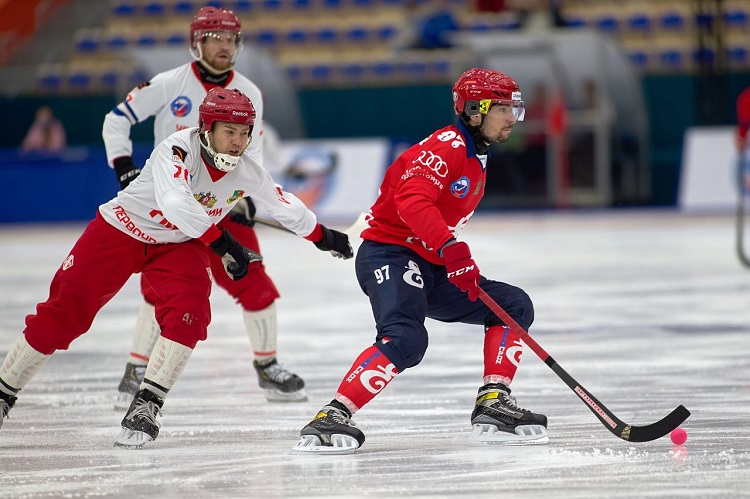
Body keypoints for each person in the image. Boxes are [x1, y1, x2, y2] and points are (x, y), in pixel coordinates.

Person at [0, 87, 353, 448]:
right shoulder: (178, 148)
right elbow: (175, 203)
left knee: (191, 313)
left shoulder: (247, 169)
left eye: (244, 132)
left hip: (178, 245)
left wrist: (323, 236)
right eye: (229, 131)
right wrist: (224, 243)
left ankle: (147, 403)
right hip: (121, 229)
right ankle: (3, 393)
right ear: (206, 128)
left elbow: (282, 204)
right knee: (64, 314)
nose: (237, 141)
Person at [292, 68, 548, 454]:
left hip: (429, 262)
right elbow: (411, 201)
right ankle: (332, 416)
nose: (513, 118)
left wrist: (450, 259)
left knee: (512, 306)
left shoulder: (476, 153)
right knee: (406, 338)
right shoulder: (446, 146)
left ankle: (494, 402)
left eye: (516, 109)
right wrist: (450, 248)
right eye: (504, 109)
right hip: (390, 254)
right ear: (474, 110)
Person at [102, 6, 307, 409]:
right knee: (157, 291)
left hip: (222, 206)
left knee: (256, 284)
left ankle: (268, 366)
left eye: (231, 38)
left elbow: (256, 150)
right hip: (169, 211)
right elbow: (116, 121)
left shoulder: (250, 92)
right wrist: (124, 168)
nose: (224, 46)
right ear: (198, 43)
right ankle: (137, 368)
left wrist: (247, 195)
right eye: (216, 38)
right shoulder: (168, 83)